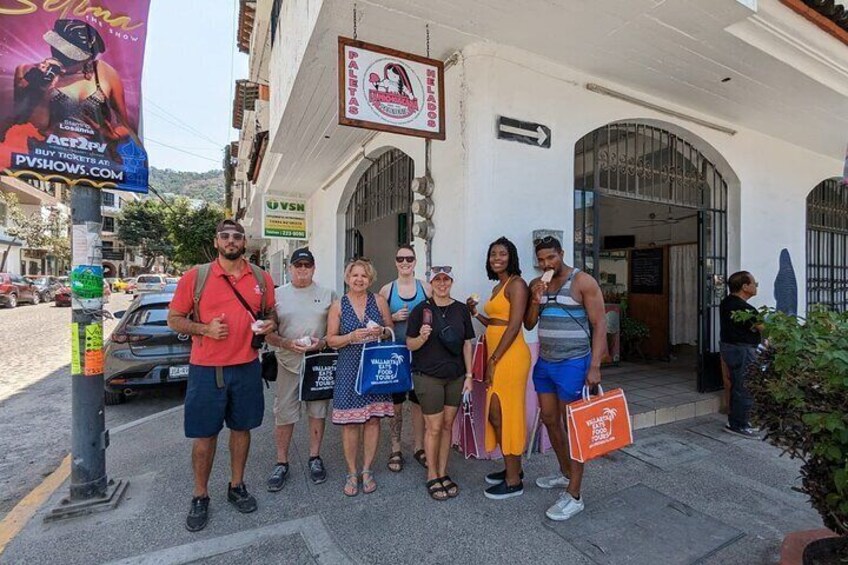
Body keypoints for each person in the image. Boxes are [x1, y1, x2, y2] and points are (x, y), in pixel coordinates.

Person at [167, 219, 277, 532]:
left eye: (237, 237)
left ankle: (236, 485)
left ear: (244, 242)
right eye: (225, 236)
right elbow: (174, 319)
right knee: (205, 435)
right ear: (217, 242)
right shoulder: (196, 277)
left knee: (242, 429)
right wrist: (204, 329)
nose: (231, 241)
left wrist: (269, 324)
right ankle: (200, 494)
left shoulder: (262, 278)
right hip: (206, 369)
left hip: (246, 366)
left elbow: (271, 313)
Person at [524, 236, 607, 521]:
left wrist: (594, 365)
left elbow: (599, 324)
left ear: (561, 253)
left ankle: (574, 494)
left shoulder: (582, 281)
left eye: (551, 257)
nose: (546, 264)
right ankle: (564, 472)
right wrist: (536, 299)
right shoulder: (540, 285)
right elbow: (530, 323)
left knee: (574, 428)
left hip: (574, 363)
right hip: (545, 363)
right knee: (549, 420)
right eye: (542, 260)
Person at [264, 248, 337, 491]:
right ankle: (281, 461)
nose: (302, 270)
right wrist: (286, 343)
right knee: (284, 413)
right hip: (287, 362)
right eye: (298, 266)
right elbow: (269, 332)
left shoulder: (328, 294)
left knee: (317, 411)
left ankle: (315, 457)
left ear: (314, 268)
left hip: (317, 363)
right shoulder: (277, 296)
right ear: (289, 268)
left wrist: (323, 342)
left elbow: (335, 330)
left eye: (307, 266)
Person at [466, 237, 531, 500]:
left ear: (511, 256)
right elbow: (495, 321)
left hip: (510, 356)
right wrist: (475, 314)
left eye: (503, 253)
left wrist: (493, 361)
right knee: (499, 413)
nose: (497, 258)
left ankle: (514, 481)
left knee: (503, 414)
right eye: (493, 254)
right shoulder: (498, 287)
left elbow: (514, 325)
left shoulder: (517, 284)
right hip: (499, 353)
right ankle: (512, 469)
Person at [10, 19, 138, 147]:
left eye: (70, 57)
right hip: (46, 157)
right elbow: (32, 127)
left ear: (89, 58)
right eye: (57, 50)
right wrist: (42, 90)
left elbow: (126, 127)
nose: (62, 58)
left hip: (97, 160)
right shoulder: (28, 72)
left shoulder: (106, 73)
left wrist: (114, 135)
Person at [327, 258, 395, 496]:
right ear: (348, 278)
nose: (359, 279)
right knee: (350, 422)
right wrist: (351, 337)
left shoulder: (379, 301)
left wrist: (383, 331)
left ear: (370, 279)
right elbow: (330, 340)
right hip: (348, 368)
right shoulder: (338, 305)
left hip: (374, 368)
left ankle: (367, 470)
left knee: (373, 420)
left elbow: (390, 330)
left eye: (363, 276)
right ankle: (351, 471)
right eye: (355, 275)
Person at [406, 266, 475, 500]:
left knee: (447, 426)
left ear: (451, 282)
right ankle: (432, 475)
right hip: (428, 377)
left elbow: (467, 343)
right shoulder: (421, 310)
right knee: (434, 428)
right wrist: (422, 337)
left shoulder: (461, 310)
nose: (442, 284)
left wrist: (469, 377)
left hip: (455, 377)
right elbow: (410, 345)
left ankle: (443, 472)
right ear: (431, 283)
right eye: (438, 280)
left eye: (446, 280)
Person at [379, 245, 429, 472]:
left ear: (415, 261)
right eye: (401, 258)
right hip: (395, 354)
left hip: (420, 354)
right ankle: (396, 448)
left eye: (409, 258)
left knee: (418, 402)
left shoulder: (426, 288)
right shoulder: (387, 290)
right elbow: (375, 322)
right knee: (396, 404)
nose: (405, 262)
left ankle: (419, 447)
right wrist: (392, 317)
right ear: (395, 262)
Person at [719, 271, 762, 439]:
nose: (756, 286)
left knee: (738, 384)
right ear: (745, 286)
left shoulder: (727, 302)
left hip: (730, 348)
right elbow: (763, 327)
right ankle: (739, 424)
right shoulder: (743, 308)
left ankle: (736, 421)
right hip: (742, 350)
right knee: (745, 386)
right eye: (754, 283)